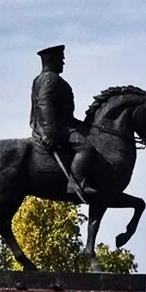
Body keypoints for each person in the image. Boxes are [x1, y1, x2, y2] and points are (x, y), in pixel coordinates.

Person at [29, 44, 93, 198]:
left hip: (58, 126)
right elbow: (44, 103)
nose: (63, 63)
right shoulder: (51, 78)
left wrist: (83, 126)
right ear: (52, 60)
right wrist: (50, 133)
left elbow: (64, 115)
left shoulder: (43, 79)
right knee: (86, 147)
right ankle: (76, 183)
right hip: (54, 130)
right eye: (61, 59)